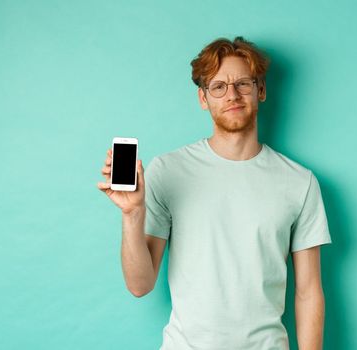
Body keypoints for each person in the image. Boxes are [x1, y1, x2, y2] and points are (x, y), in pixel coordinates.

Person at [96, 36, 332, 350]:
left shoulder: (300, 182)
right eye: (218, 86)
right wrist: (132, 213)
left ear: (260, 90)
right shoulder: (168, 170)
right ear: (203, 98)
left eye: (243, 84)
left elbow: (308, 291)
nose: (231, 95)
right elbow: (139, 285)